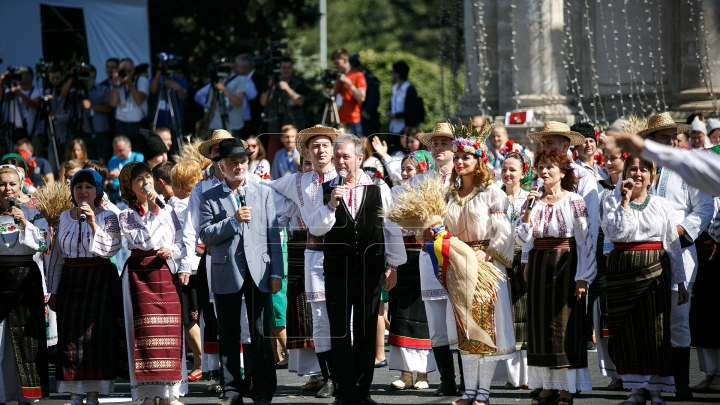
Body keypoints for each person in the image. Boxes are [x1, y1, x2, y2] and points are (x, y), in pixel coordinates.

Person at [305, 133, 406, 405]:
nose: (340, 161)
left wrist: (393, 264)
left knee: (364, 331)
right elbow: (315, 228)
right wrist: (331, 204)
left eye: (345, 156)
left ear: (359, 158)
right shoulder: (326, 188)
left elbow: (391, 229)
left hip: (370, 270)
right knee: (339, 330)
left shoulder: (378, 188)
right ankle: (343, 390)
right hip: (337, 270)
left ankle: (363, 390)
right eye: (337, 156)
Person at [634, 112, 715, 400]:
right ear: (651, 140)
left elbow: (705, 209)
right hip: (643, 253)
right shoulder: (640, 167)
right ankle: (646, 385)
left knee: (677, 318)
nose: (671, 141)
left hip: (679, 251)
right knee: (646, 319)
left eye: (673, 136)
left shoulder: (685, 168)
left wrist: (680, 230)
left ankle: (680, 385)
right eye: (663, 137)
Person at [198, 138, 283, 405]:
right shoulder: (208, 196)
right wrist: (232, 221)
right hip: (227, 271)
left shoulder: (264, 191)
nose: (239, 166)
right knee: (229, 333)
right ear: (221, 167)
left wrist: (277, 272)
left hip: (259, 270)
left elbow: (273, 234)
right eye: (232, 162)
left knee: (260, 331)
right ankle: (232, 389)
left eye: (242, 161)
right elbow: (205, 235)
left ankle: (262, 388)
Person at [438, 121, 515, 405]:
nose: (459, 162)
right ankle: (468, 390)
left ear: (479, 160)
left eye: (465, 157)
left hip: (485, 267)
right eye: (456, 157)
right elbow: (440, 230)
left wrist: (489, 254)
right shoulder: (448, 196)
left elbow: (504, 231)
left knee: (486, 327)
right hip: (458, 264)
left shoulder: (492, 194)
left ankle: (483, 392)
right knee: (465, 328)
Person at [601, 155, 688, 404]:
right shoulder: (612, 202)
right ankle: (636, 389)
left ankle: (656, 390)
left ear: (652, 176)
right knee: (626, 331)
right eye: (632, 169)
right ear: (625, 173)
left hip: (655, 272)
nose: (638, 174)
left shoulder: (661, 204)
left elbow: (672, 244)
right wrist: (625, 203)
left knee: (655, 330)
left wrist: (680, 282)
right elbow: (618, 232)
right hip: (622, 271)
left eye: (643, 170)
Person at [515, 150, 596, 405]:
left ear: (562, 172)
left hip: (566, 264)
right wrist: (527, 212)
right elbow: (522, 239)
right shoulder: (533, 202)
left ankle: (566, 388)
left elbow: (585, 241)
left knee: (564, 325)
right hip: (539, 265)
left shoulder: (574, 200)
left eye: (550, 167)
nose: (544, 171)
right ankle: (547, 385)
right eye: (540, 167)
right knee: (540, 326)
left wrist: (583, 276)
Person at [266, 125, 338, 395]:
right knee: (318, 318)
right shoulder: (299, 182)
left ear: (333, 150)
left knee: (343, 317)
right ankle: (327, 377)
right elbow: (266, 190)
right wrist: (291, 206)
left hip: (343, 254)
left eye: (324, 146)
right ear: (306, 152)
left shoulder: (344, 176)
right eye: (314, 147)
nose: (320, 151)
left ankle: (347, 374)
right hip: (314, 254)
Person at [46, 169, 122, 405]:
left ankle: (93, 393)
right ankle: (74, 393)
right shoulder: (63, 217)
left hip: (99, 280)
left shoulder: (109, 216)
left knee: (95, 338)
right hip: (71, 280)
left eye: (89, 187)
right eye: (78, 187)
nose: (83, 192)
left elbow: (112, 248)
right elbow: (57, 257)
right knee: (70, 337)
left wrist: (91, 222)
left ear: (98, 191)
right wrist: (53, 290)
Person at [117, 161, 189, 405]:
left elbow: (183, 242)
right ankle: (149, 393)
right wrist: (151, 210)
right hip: (140, 276)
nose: (145, 182)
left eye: (147, 176)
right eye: (139, 180)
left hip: (165, 274)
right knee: (144, 333)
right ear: (131, 187)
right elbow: (145, 240)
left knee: (169, 330)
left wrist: (173, 251)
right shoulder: (126, 215)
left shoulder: (168, 210)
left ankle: (169, 393)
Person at [415, 123, 461, 396]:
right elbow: (403, 213)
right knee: (435, 320)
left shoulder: (464, 178)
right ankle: (447, 379)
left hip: (456, 253)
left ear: (455, 148)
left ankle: (468, 378)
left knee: (459, 317)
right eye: (434, 143)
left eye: (444, 143)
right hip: (428, 252)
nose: (438, 148)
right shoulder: (421, 181)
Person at [387, 150, 437, 391]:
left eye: (411, 169)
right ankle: (405, 374)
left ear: (423, 170)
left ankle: (423, 375)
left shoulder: (431, 194)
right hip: (401, 258)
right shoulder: (394, 193)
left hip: (425, 257)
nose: (406, 173)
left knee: (423, 315)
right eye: (404, 169)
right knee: (400, 314)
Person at [0, 165, 50, 404]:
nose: (7, 188)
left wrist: (24, 223)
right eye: (2, 184)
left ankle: (26, 397)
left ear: (19, 185)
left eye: (11, 184)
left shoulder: (32, 209)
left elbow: (42, 243)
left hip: (25, 278)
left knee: (25, 341)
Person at [495, 144, 533, 390]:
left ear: (523, 173)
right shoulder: (494, 195)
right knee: (503, 316)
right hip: (499, 259)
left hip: (522, 259)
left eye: (513, 170)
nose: (508, 174)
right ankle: (510, 375)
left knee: (524, 314)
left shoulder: (529, 197)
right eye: (505, 169)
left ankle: (526, 375)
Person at [591, 143, 627, 390]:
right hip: (602, 256)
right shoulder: (598, 187)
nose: (608, 162)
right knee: (603, 312)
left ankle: (630, 369)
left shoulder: (631, 186)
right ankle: (615, 371)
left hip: (624, 253)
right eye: (606, 158)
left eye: (614, 158)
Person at [170, 160, 205, 382]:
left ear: (180, 185)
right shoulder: (201, 201)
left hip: (188, 266)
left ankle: (200, 362)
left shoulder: (179, 206)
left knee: (189, 318)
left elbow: (183, 239)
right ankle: (202, 361)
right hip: (199, 264)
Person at [67, 65, 112, 161]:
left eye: (90, 74)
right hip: (85, 133)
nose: (88, 77)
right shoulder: (77, 90)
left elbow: (109, 108)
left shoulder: (103, 89)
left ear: (95, 75)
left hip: (101, 132)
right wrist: (72, 77)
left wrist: (92, 106)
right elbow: (64, 95)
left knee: (102, 161)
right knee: (89, 161)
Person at [197, 59, 246, 138]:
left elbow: (239, 103)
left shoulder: (239, 80)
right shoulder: (216, 81)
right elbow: (212, 106)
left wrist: (224, 90)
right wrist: (209, 126)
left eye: (227, 67)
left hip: (233, 126)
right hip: (216, 126)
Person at [108, 58, 149, 146]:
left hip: (138, 125)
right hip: (121, 124)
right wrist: (114, 84)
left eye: (128, 71)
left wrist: (130, 84)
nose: (125, 73)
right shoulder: (117, 83)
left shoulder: (141, 80)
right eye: (123, 71)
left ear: (133, 70)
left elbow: (139, 101)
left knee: (139, 154)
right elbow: (112, 103)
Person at [0, 66, 42, 144]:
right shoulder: (13, 91)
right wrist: (1, 82)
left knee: (35, 156)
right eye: (17, 74)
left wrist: (20, 94)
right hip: (18, 134)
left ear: (30, 77)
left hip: (34, 134)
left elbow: (35, 105)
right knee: (16, 156)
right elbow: (1, 98)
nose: (18, 77)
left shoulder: (37, 90)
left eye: (21, 75)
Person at [330, 49, 367, 137]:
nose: (336, 66)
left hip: (353, 119)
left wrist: (348, 82)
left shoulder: (358, 75)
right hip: (340, 120)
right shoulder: (339, 78)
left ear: (345, 60)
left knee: (355, 149)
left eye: (337, 63)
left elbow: (361, 98)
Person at [149, 62, 187, 132]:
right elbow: (152, 91)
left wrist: (178, 88)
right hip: (158, 120)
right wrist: (158, 73)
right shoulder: (155, 80)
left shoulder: (179, 80)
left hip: (174, 120)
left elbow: (183, 97)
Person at [107, 136, 145, 203]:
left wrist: (120, 175)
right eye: (115, 151)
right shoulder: (113, 160)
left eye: (120, 150)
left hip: (133, 199)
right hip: (115, 199)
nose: (118, 154)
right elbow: (108, 179)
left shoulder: (138, 158)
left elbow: (140, 177)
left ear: (129, 147)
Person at [386, 61, 420, 134]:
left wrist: (397, 115)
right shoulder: (395, 87)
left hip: (405, 126)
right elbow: (393, 103)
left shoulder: (409, 89)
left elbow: (413, 110)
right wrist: (389, 111)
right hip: (394, 126)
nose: (392, 73)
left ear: (398, 74)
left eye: (393, 71)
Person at [352, 55, 380, 137]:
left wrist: (363, 116)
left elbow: (373, 101)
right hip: (355, 117)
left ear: (359, 67)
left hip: (367, 120)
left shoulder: (370, 79)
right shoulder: (352, 79)